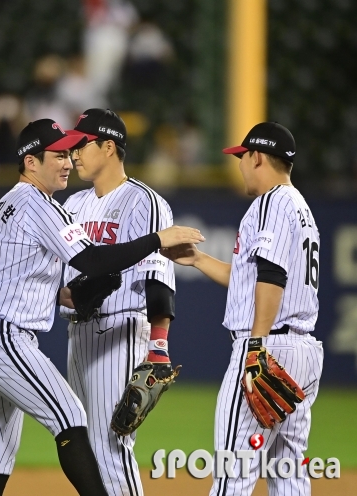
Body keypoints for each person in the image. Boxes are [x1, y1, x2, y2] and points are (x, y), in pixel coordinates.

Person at [0, 118, 204, 496]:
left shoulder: (6, 204)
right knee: (72, 419)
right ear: (31, 162)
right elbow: (91, 261)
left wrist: (158, 345)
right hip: (5, 336)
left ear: (109, 146)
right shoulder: (47, 204)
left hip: (93, 330)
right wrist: (157, 239)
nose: (68, 160)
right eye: (59, 154)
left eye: (73, 150)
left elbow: (25, 276)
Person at [162, 122, 323, 495]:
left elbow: (271, 276)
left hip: (268, 350)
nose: (239, 165)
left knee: (234, 473)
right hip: (301, 352)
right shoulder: (299, 207)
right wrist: (199, 259)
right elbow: (252, 278)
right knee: (288, 472)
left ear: (257, 157)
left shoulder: (270, 202)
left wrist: (256, 346)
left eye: (242, 157)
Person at [60, 108, 177, 495]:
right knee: (85, 450)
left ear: (109, 147)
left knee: (111, 448)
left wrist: (158, 348)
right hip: (78, 333)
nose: (74, 153)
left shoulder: (144, 201)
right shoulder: (73, 205)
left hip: (120, 329)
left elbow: (157, 275)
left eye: (82, 144)